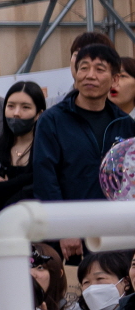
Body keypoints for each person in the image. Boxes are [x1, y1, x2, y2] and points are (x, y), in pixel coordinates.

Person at [35, 43, 135, 236]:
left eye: (99, 69)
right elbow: (46, 179)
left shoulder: (125, 123)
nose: (90, 75)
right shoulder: (52, 120)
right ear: (75, 74)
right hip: (70, 232)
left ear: (114, 80)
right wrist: (63, 229)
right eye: (84, 68)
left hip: (115, 230)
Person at [0, 81, 46, 238]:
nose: (16, 113)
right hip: (2, 234)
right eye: (11, 106)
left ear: (39, 113)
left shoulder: (46, 149)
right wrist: (23, 183)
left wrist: (4, 185)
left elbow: (40, 186)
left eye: (25, 107)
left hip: (39, 232)